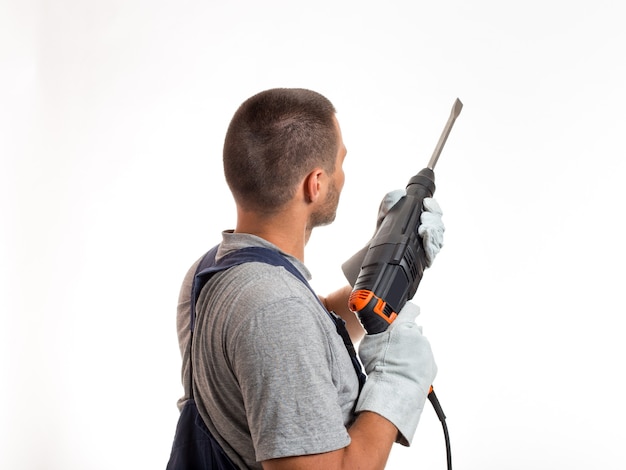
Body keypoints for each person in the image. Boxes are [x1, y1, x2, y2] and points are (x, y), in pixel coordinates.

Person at [174, 88, 443, 469]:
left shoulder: (215, 270)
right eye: (340, 162)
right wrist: (397, 380)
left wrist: (382, 273)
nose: (343, 175)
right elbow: (287, 327)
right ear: (315, 183)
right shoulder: (275, 309)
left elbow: (308, 332)